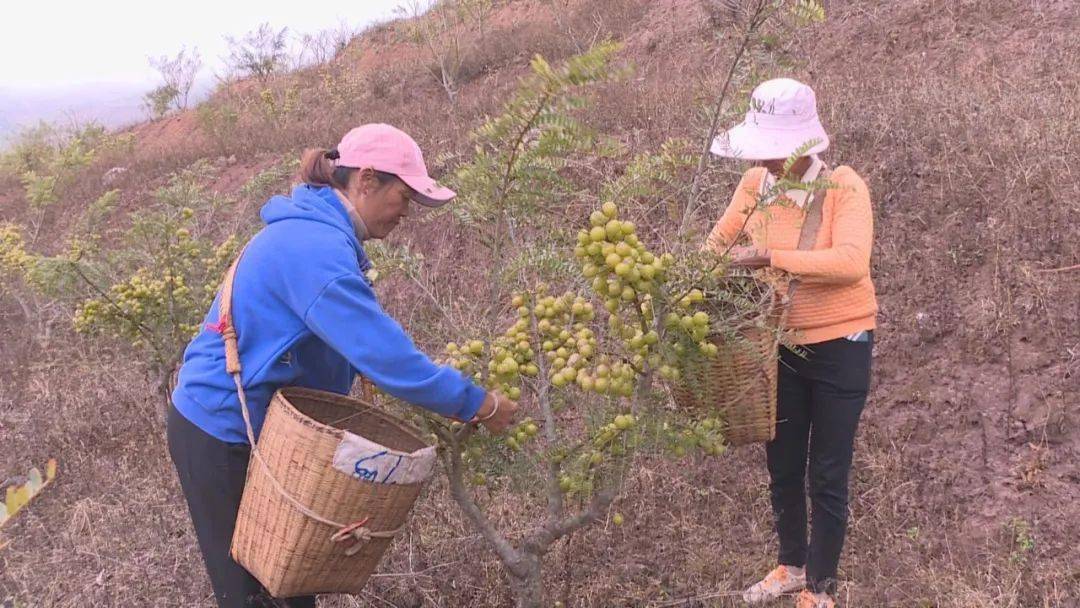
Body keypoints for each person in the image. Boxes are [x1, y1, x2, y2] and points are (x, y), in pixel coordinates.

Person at [167, 123, 519, 608]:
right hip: (218, 427)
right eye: (404, 197)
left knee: (291, 581)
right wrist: (477, 403)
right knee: (251, 592)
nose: (406, 213)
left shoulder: (319, 238)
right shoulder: (315, 251)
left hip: (267, 430)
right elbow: (386, 359)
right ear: (367, 180)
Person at [705, 79, 878, 608]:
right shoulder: (755, 184)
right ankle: (791, 565)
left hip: (840, 344)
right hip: (778, 345)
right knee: (781, 463)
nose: (769, 161)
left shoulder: (843, 187)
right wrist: (700, 268)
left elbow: (851, 262)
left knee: (827, 469)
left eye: (775, 150)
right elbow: (718, 242)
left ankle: (820, 590)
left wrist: (769, 258)